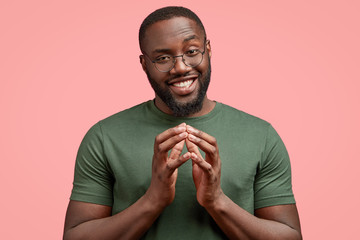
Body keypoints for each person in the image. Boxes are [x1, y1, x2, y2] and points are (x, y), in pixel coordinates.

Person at [63, 6, 302, 240]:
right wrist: (153, 200)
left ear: (208, 49)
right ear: (144, 64)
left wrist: (217, 201)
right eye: (163, 58)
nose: (180, 67)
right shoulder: (105, 136)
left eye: (191, 51)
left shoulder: (261, 135)